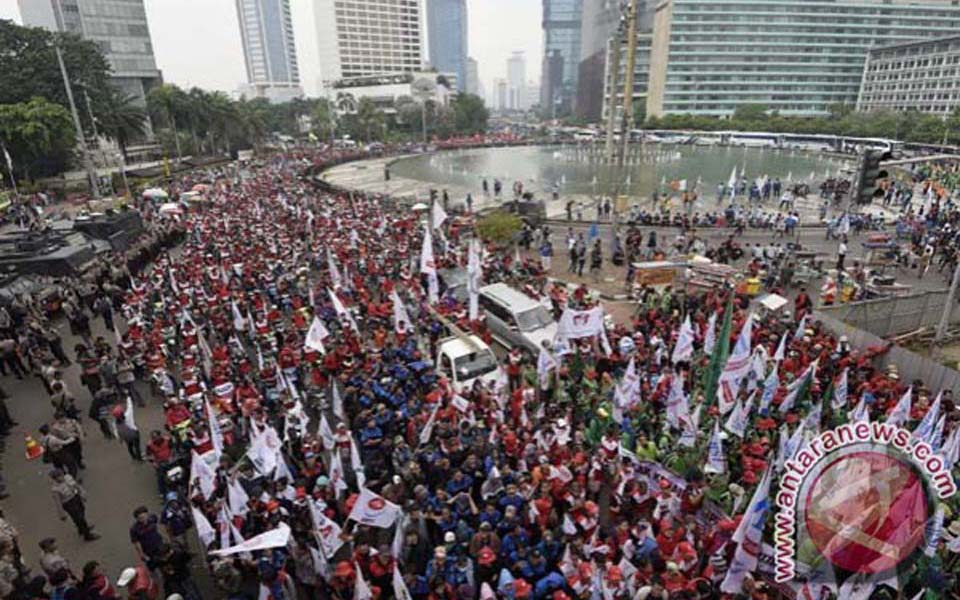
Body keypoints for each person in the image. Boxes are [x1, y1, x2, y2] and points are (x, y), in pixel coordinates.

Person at [49, 469, 98, 541]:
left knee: (82, 510)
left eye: (61, 475)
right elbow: (58, 502)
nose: (61, 478)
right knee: (79, 518)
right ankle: (87, 535)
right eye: (58, 477)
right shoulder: (55, 488)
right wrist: (61, 513)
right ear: (55, 479)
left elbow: (76, 485)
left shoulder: (68, 478)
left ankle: (81, 529)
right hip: (68, 503)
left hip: (75, 497)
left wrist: (82, 493)